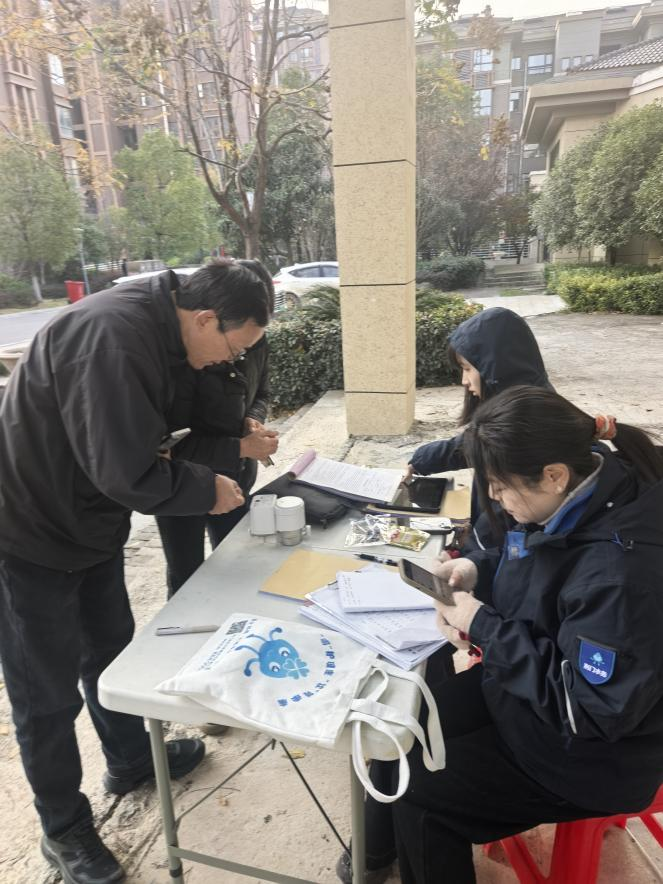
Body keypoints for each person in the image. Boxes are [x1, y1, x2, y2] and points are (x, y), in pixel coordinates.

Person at [0, 259, 272, 884]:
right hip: (29, 530)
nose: (230, 361)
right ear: (205, 318)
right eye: (234, 348)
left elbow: (166, 437)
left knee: (111, 653)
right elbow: (126, 468)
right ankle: (63, 827)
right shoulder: (114, 339)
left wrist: (228, 440)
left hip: (90, 521)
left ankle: (128, 759)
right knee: (45, 695)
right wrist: (206, 488)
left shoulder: (164, 332)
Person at [339, 385, 663, 884]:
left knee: (421, 795)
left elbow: (588, 710)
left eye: (498, 485)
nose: (492, 496)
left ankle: (406, 845)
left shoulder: (620, 575)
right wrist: (477, 570)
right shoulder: (586, 485)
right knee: (398, 722)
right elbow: (538, 554)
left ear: (553, 475)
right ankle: (377, 853)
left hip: (591, 754)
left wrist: (482, 624)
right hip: (533, 690)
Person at [156, 260, 279, 597]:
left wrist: (252, 419)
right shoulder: (190, 354)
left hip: (237, 475)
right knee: (186, 577)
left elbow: (262, 393)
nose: (238, 355)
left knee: (236, 565)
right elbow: (168, 443)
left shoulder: (255, 340)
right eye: (235, 347)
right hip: (183, 483)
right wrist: (242, 447)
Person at [406, 307, 552, 531]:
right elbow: (468, 446)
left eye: (467, 369)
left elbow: (508, 516)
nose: (464, 381)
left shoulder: (523, 422)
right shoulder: (523, 404)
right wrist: (421, 460)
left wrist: (476, 545)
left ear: (496, 369)